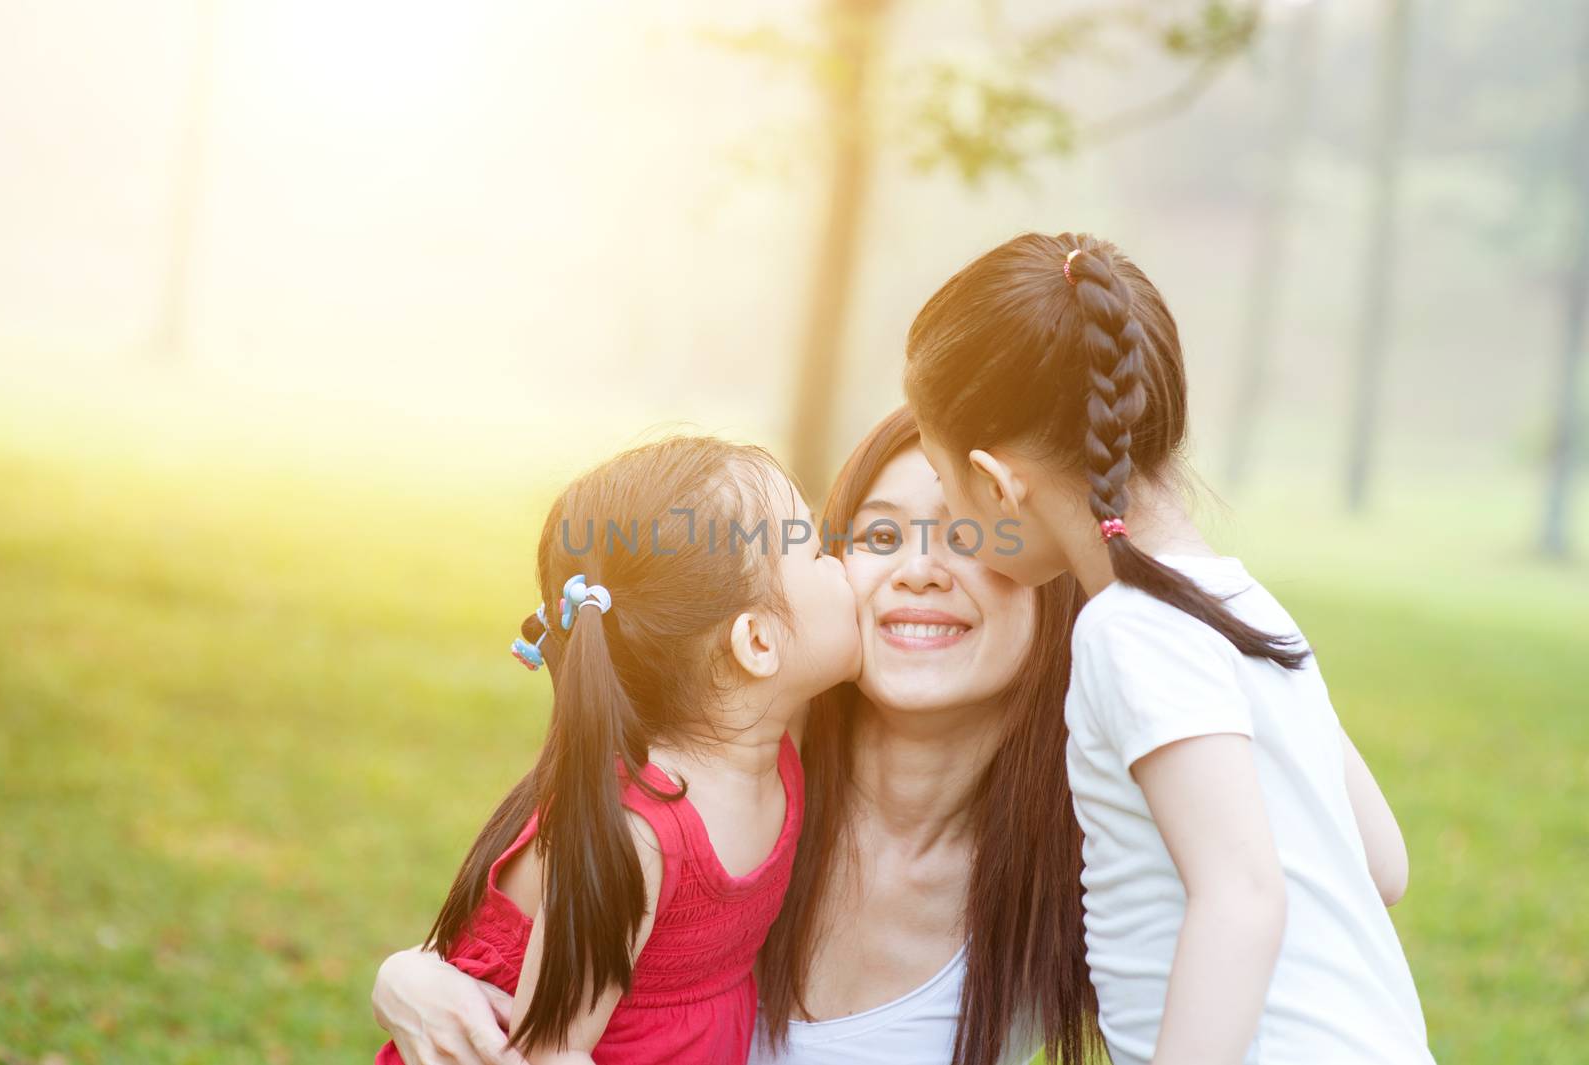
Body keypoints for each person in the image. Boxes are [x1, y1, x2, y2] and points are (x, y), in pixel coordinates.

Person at [372, 408, 1101, 1065]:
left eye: (971, 534)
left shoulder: (1085, 878)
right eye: (873, 535)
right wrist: (407, 975)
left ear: (1053, 562)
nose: (917, 571)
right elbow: (529, 992)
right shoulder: (681, 792)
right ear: (755, 641)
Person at [903, 230, 1433, 1065]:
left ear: (1000, 482)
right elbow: (1385, 862)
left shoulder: (1130, 630)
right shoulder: (1240, 607)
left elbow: (1242, 897)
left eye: (943, 482)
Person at [375, 436, 860, 1065]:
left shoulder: (776, 741)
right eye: (818, 552)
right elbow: (548, 1054)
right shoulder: (642, 834)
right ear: (758, 643)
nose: (843, 564)